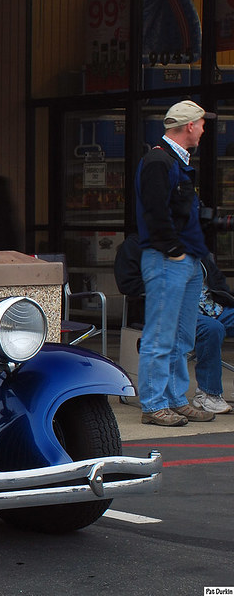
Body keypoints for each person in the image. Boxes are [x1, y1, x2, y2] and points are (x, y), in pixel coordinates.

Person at [134, 99, 216, 426]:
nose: (204, 129)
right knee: (161, 335)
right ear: (189, 126)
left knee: (181, 337)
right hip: (169, 259)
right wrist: (174, 249)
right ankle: (154, 403)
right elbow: (155, 211)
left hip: (184, 259)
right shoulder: (159, 161)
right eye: (202, 123)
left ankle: (174, 398)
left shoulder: (171, 160)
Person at [115, 234, 233, 415]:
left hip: (212, 307)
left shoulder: (191, 244)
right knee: (211, 328)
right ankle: (208, 393)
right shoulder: (135, 246)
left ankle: (180, 398)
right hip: (174, 309)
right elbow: (127, 284)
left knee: (212, 324)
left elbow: (217, 281)